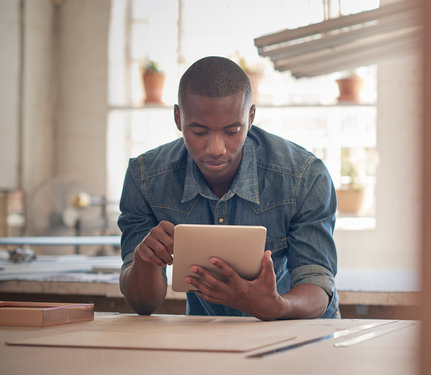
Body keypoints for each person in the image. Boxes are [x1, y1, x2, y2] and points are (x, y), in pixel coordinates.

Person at [118, 56, 338, 320]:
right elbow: (143, 304)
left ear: (251, 117)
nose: (215, 149)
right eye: (199, 132)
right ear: (178, 118)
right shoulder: (145, 178)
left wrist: (277, 306)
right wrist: (145, 260)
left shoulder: (304, 176)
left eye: (232, 131)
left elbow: (318, 285)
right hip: (211, 339)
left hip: (300, 336)